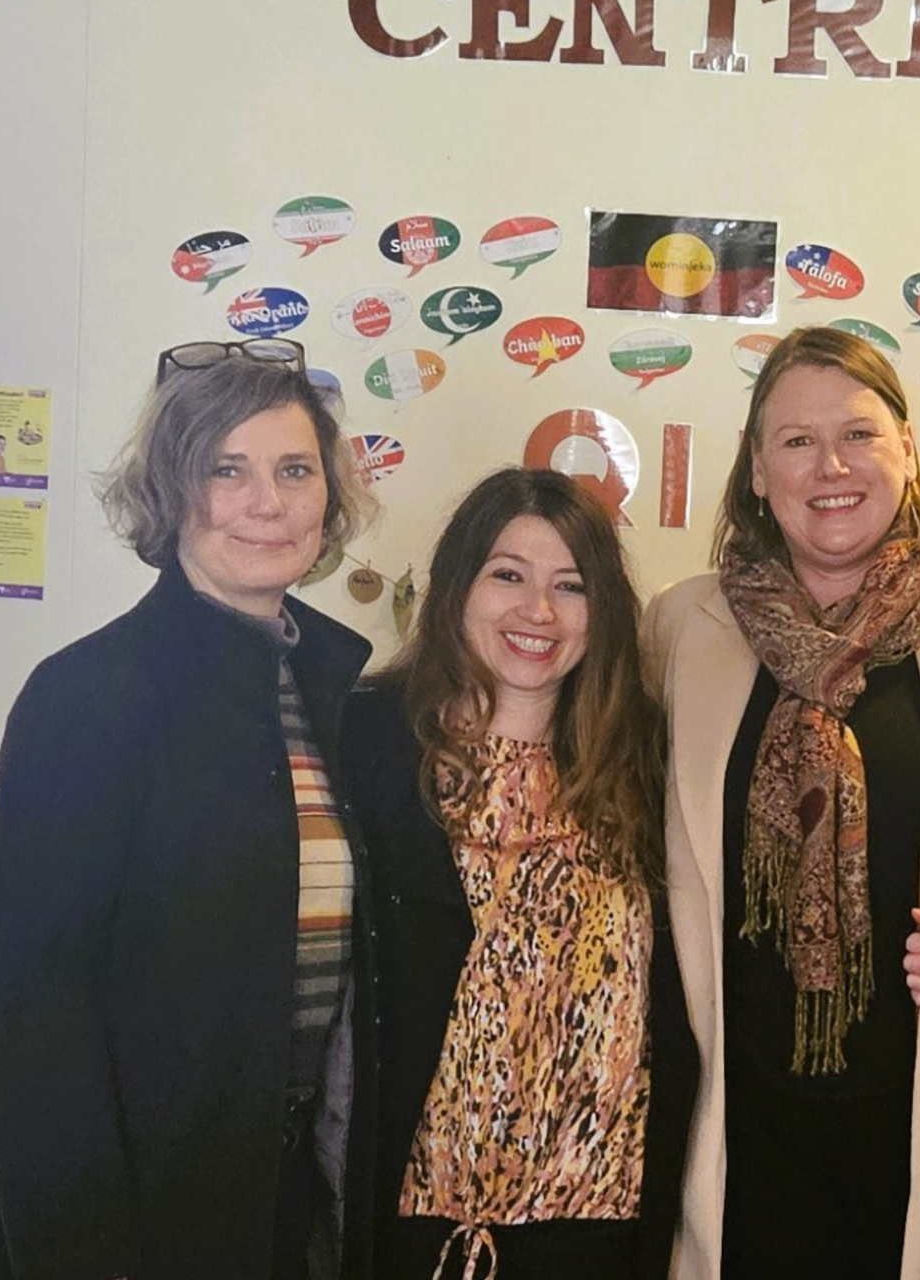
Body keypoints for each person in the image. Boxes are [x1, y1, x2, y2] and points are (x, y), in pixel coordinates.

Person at [642, 326, 920, 1280]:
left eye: (859, 434)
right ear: (757, 470)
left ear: (909, 451)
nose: (830, 466)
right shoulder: (683, 628)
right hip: (735, 1110)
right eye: (795, 441)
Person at [0, 338, 376, 1279]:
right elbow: (38, 1023)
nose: (266, 502)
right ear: (169, 490)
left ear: (329, 494)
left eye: (293, 470)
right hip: (121, 1213)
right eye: (224, 470)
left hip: (285, 1194)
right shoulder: (85, 696)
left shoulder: (340, 686)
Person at [340, 469, 694, 1279]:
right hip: (403, 1226)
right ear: (456, 586)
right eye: (509, 575)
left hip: (598, 1232)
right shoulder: (364, 743)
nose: (538, 612)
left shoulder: (654, 763)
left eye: (570, 587)